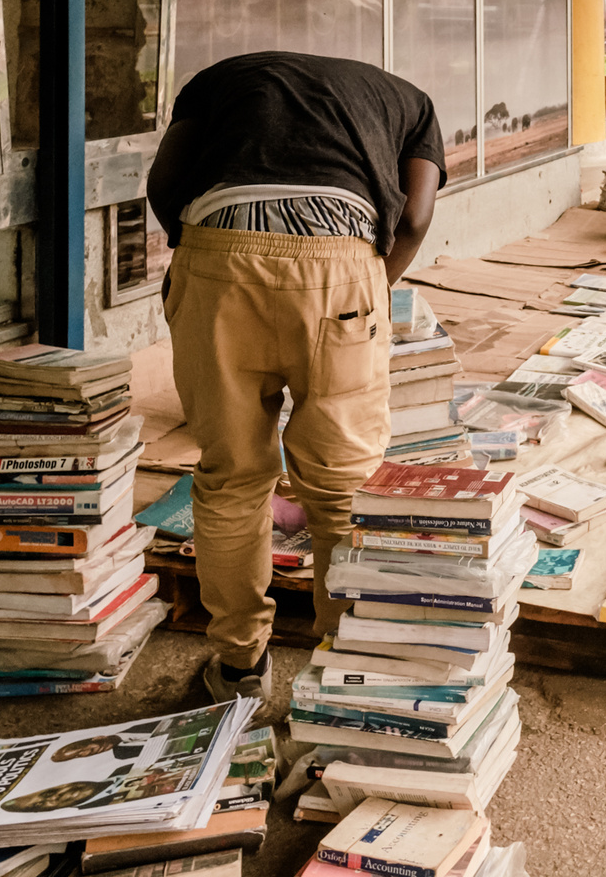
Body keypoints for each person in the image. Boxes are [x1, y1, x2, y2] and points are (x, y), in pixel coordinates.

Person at [147, 51, 446, 704]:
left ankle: (237, 671)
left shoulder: (217, 79)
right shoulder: (411, 104)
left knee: (232, 478)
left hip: (218, 256)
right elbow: (416, 217)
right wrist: (368, 287)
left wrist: (201, 261)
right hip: (339, 266)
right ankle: (344, 678)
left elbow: (165, 185)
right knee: (340, 489)